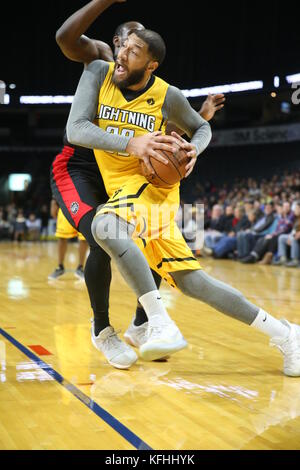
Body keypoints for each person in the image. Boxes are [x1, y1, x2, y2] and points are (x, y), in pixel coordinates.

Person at [68, 28, 300, 376]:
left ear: (151, 65)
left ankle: (158, 322)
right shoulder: (99, 74)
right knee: (195, 283)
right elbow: (76, 130)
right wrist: (133, 144)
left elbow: (201, 129)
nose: (122, 53)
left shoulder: (167, 95)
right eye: (122, 46)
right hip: (130, 193)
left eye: (133, 50)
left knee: (104, 225)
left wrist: (195, 148)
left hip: (151, 186)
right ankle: (287, 334)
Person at [52, 0, 225, 367]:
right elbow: (64, 37)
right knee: (104, 237)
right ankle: (102, 330)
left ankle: (143, 324)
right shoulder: (100, 60)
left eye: (138, 45)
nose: (130, 48)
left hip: (124, 172)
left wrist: (198, 122)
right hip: (81, 166)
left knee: (151, 238)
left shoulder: (148, 84)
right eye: (127, 41)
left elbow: (160, 143)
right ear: (116, 42)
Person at [48, 200, 88, 280]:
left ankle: (80, 267)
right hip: (65, 205)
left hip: (83, 205)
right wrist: (54, 202)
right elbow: (57, 187)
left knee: (84, 238)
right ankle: (60, 267)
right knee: (62, 237)